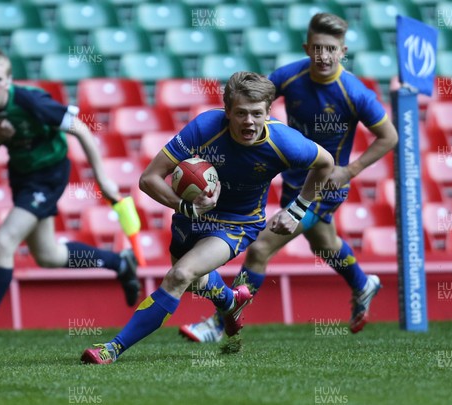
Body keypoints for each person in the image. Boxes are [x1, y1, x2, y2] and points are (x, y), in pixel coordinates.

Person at [80, 71, 334, 364]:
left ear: (268, 112)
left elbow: (325, 163)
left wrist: (298, 209)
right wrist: (186, 208)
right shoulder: (205, 127)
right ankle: (230, 301)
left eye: (256, 114)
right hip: (191, 217)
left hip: (238, 223)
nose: (248, 122)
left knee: (179, 276)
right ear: (227, 111)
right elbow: (149, 178)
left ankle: (112, 348)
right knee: (196, 282)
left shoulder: (286, 143)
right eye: (240, 113)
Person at [179, 12, 399, 343]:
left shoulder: (354, 92)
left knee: (260, 249)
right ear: (306, 47)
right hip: (294, 180)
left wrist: (349, 170)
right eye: (317, 48)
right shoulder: (291, 76)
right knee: (323, 241)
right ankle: (362, 283)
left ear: (343, 51)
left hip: (323, 185)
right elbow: (254, 99)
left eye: (331, 49)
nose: (323, 56)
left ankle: (220, 323)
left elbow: (389, 137)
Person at [0, 49, 140, 338]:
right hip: (22, 176)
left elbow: (81, 130)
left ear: (9, 80)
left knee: (4, 240)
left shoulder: (29, 101)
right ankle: (120, 263)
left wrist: (102, 177)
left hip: (50, 174)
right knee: (48, 256)